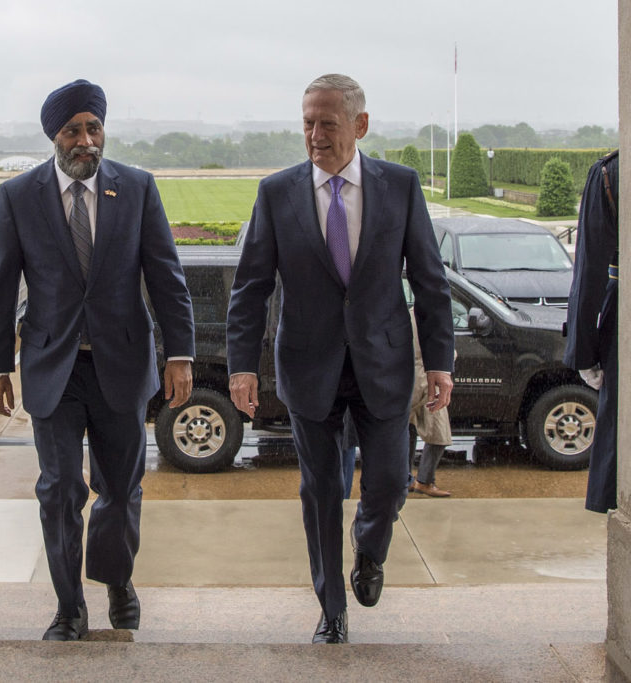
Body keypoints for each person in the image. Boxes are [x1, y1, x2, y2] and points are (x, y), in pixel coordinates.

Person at [227, 74, 454, 644]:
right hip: (309, 366)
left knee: (390, 484)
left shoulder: (400, 186)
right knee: (322, 491)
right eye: (307, 123)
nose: (315, 135)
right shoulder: (276, 193)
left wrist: (440, 363)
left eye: (327, 123)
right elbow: (251, 288)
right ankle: (332, 611)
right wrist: (242, 365)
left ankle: (369, 547)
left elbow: (430, 281)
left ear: (360, 124)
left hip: (384, 364)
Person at [0, 79, 195, 641]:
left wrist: (179, 354)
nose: (86, 141)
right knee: (58, 491)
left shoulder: (138, 188)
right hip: (53, 367)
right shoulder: (19, 196)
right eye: (73, 130)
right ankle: (69, 607)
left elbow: (166, 277)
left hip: (121, 364)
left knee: (120, 490)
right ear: (54, 136)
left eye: (94, 128)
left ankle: (117, 580)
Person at [564, 150, 619, 514]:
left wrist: (584, 353)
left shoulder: (611, 172)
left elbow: (589, 272)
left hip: (628, 314)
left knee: (619, 425)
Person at [407, 310, 453, 497]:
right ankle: (424, 481)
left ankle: (405, 479)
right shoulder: (433, 316)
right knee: (439, 433)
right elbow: (447, 351)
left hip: (409, 378)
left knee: (408, 428)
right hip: (429, 381)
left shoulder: (407, 315)